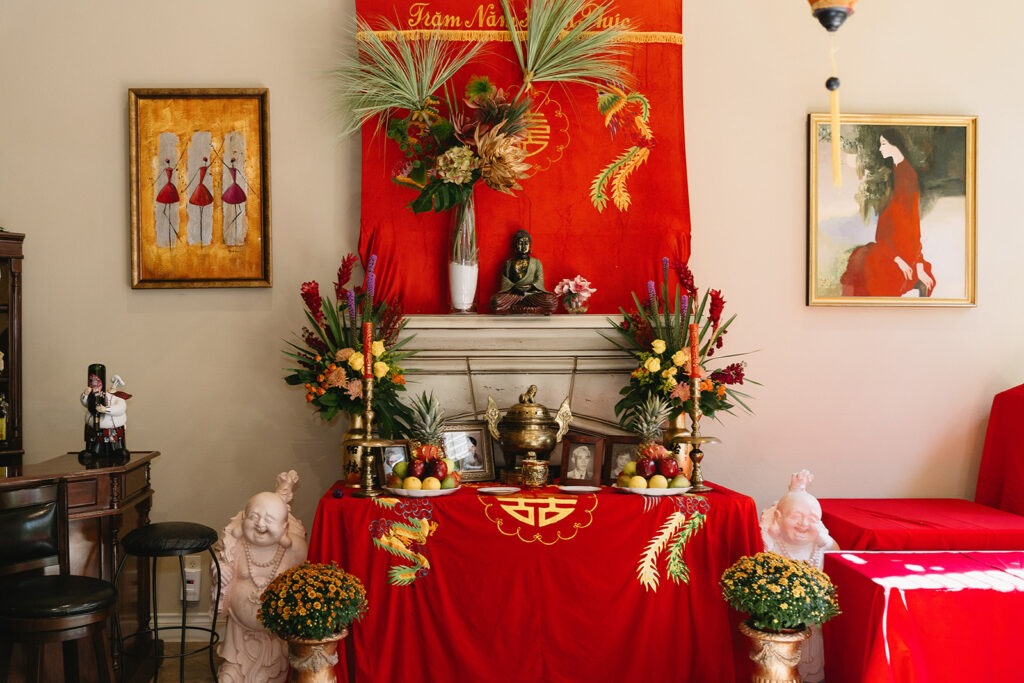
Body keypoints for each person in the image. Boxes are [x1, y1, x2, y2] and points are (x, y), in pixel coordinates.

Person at [213, 471, 308, 683]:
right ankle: (234, 670)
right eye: (254, 517)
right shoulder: (236, 545)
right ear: (244, 518)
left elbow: (305, 583)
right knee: (229, 677)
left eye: (270, 520)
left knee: (277, 673)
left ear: (284, 527)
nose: (261, 525)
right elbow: (220, 563)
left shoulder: (293, 550)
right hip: (239, 633)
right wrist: (221, 570)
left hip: (277, 639)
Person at [760, 470, 838, 683]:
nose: (804, 524)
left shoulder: (819, 546)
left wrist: (825, 541)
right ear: (778, 517)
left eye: (812, 519)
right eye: (796, 517)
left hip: (812, 621)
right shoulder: (772, 543)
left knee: (812, 661)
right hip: (778, 624)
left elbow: (839, 558)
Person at [841, 130, 936, 297]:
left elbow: (911, 224)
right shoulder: (898, 171)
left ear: (895, 146)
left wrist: (913, 264)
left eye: (884, 144)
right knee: (861, 258)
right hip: (894, 247)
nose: (881, 149)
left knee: (867, 264)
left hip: (902, 250)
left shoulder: (907, 176)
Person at [490, 230, 559, 314]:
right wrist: (515, 288)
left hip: (531, 294)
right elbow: (505, 281)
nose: (523, 246)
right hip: (514, 295)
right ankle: (532, 309)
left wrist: (530, 287)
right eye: (520, 243)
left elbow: (539, 280)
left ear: (530, 245)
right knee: (496, 301)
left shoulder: (536, 262)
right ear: (515, 245)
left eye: (526, 243)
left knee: (551, 301)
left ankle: (516, 309)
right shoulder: (509, 263)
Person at [78, 364, 131, 467]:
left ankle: (118, 451)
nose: (110, 389)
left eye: (114, 387)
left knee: (115, 444)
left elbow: (120, 409)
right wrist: (85, 395)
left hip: (112, 430)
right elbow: (86, 404)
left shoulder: (118, 398)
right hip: (94, 429)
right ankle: (91, 452)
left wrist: (105, 409)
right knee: (95, 443)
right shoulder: (98, 393)